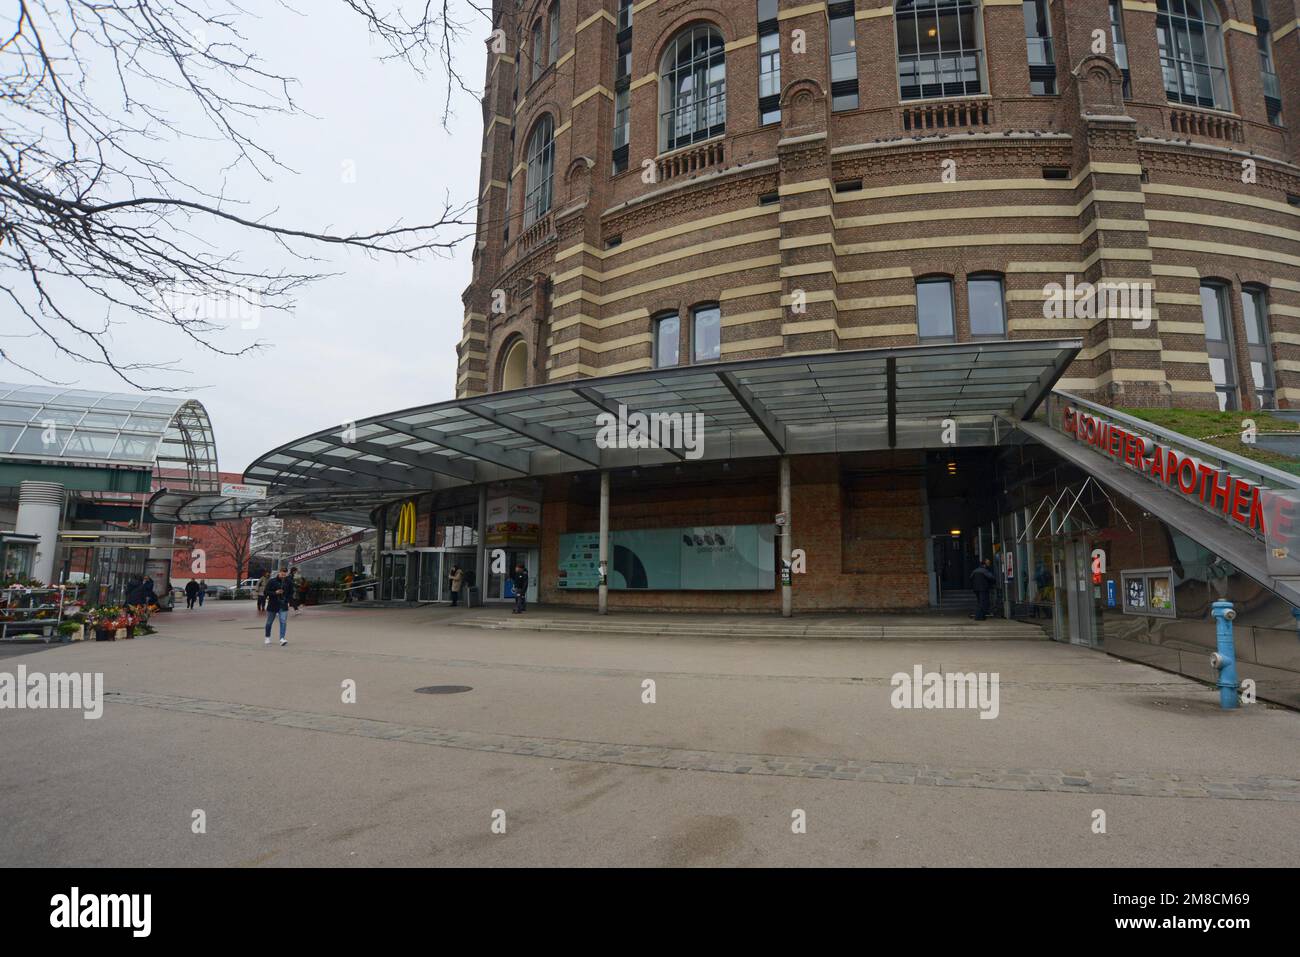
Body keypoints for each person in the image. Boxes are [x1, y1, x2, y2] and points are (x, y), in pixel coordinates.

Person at [263, 567, 294, 646]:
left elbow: (291, 593)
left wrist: (287, 601)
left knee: (283, 622)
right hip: (273, 604)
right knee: (269, 622)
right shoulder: (272, 581)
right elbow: (265, 592)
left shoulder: (289, 582)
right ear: (279, 572)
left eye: (285, 574)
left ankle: (282, 638)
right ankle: (267, 637)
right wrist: (275, 592)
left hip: (283, 605)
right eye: (282, 574)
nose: (283, 576)